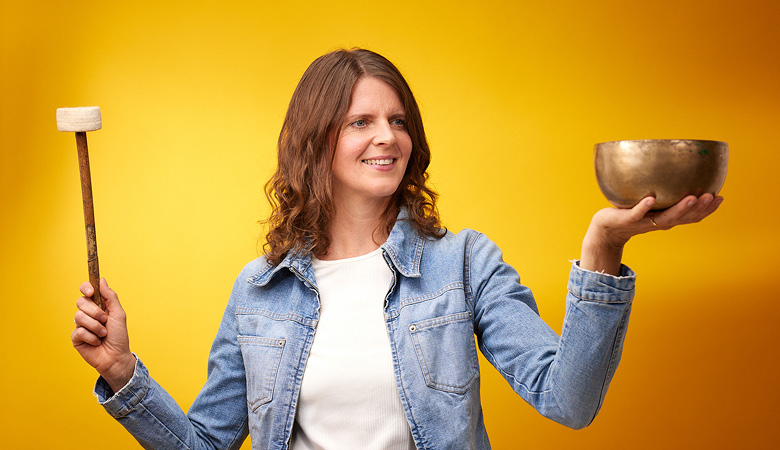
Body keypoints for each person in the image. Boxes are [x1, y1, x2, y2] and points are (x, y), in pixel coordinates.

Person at [71, 48, 722, 450]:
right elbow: (206, 446)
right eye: (361, 121)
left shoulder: (464, 263)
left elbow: (569, 401)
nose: (389, 136)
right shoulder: (258, 289)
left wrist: (601, 248)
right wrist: (123, 373)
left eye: (399, 120)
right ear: (314, 141)